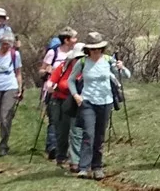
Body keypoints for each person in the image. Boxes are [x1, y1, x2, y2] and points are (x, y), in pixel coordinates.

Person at [68, 32, 120, 180]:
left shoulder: (108, 60)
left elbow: (125, 75)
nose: (96, 51)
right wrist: (76, 95)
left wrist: (121, 67)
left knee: (99, 136)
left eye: (98, 48)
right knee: (88, 134)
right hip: (88, 102)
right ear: (88, 50)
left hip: (106, 102)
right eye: (93, 49)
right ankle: (84, 167)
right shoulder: (82, 62)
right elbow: (71, 80)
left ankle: (97, 167)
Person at [41, 29, 80, 166]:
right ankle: (60, 154)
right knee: (61, 130)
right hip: (60, 100)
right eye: (77, 57)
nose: (79, 60)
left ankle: (75, 160)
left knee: (76, 131)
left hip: (77, 102)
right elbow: (51, 80)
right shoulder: (62, 66)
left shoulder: (85, 67)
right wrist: (51, 85)